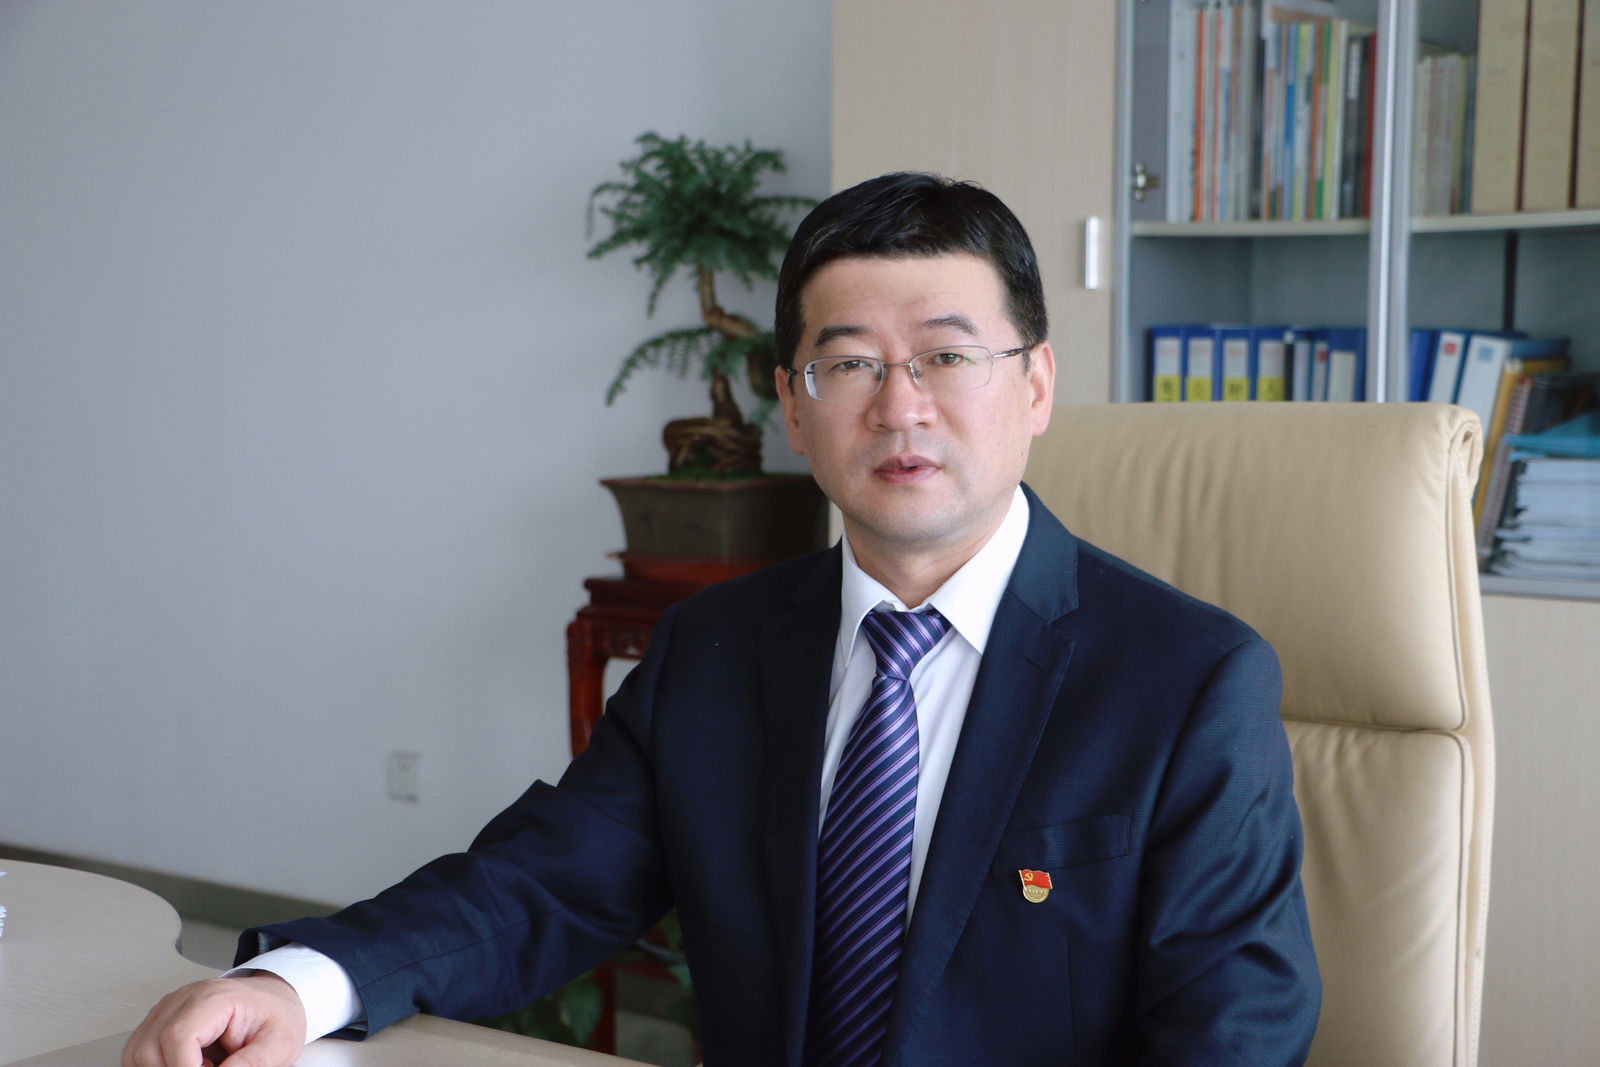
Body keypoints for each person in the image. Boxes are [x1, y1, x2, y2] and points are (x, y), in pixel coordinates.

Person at [125, 173, 1320, 1067]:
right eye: (848, 365)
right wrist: (300, 984)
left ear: (1036, 384)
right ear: (793, 410)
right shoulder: (714, 647)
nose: (900, 406)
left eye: (947, 357)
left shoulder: (1187, 680)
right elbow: (541, 884)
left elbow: (1231, 1031)